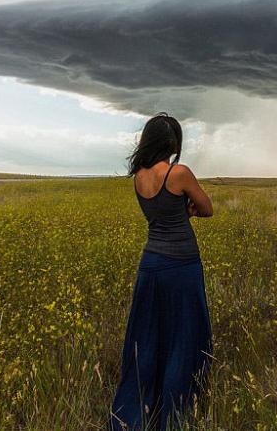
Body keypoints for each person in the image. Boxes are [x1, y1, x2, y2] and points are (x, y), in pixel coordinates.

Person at [109, 113, 214, 430]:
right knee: (183, 335)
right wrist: (189, 209)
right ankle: (176, 408)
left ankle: (139, 406)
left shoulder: (139, 177)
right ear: (174, 144)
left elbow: (157, 215)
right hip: (182, 264)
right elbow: (207, 208)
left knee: (149, 335)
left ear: (147, 141)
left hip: (151, 264)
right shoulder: (179, 173)